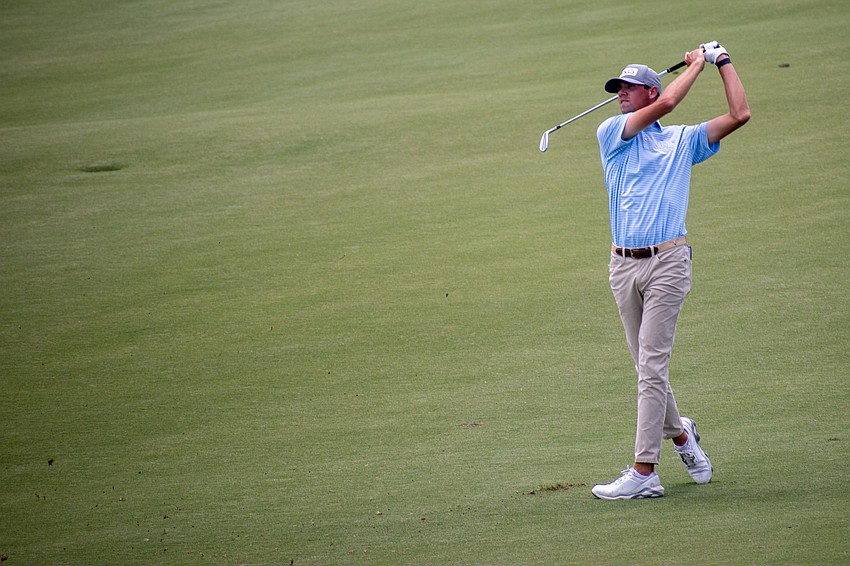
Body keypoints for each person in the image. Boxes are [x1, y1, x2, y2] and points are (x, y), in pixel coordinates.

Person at [590, 42, 750, 500]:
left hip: (669, 263)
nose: (621, 93)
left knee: (651, 368)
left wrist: (721, 63)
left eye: (630, 87)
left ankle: (645, 472)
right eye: (618, 87)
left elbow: (740, 114)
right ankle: (682, 437)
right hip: (622, 266)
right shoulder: (611, 132)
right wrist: (696, 63)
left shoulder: (681, 140)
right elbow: (670, 101)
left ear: (649, 89)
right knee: (646, 368)